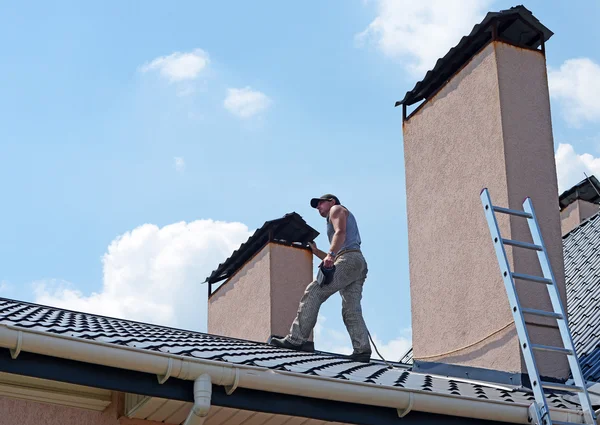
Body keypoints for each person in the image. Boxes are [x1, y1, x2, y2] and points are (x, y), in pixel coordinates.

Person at [269, 194, 372, 363]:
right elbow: (341, 252)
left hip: (349, 259)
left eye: (320, 203)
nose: (318, 207)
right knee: (351, 309)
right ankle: (362, 350)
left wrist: (330, 255)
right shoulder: (336, 215)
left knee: (314, 291)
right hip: (356, 262)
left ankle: (296, 340)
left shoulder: (336, 209)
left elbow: (341, 232)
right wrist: (318, 253)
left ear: (331, 201)